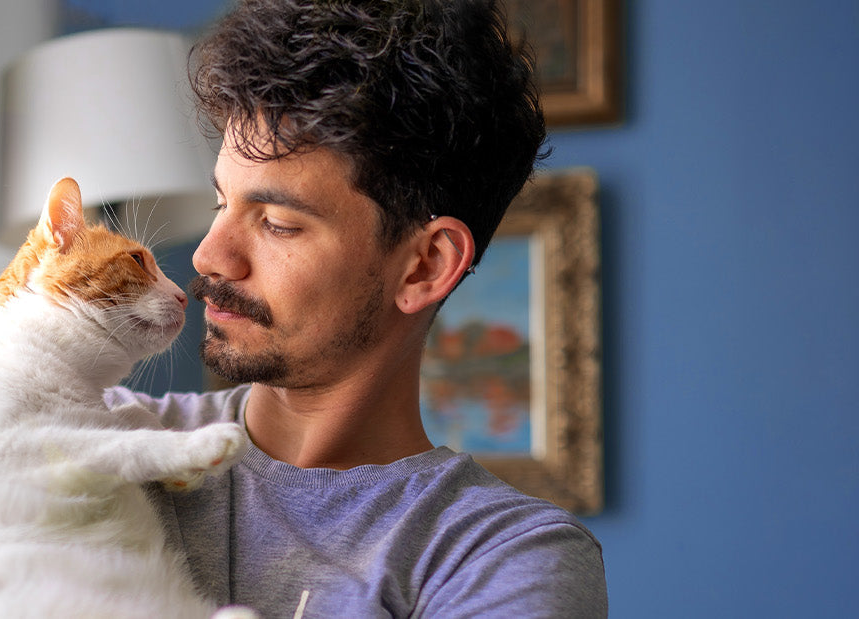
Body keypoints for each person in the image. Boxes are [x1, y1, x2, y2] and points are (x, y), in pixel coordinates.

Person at [105, 0, 608, 616]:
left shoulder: (501, 558)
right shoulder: (99, 436)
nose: (210, 257)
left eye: (278, 223)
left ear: (425, 265)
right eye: (221, 203)